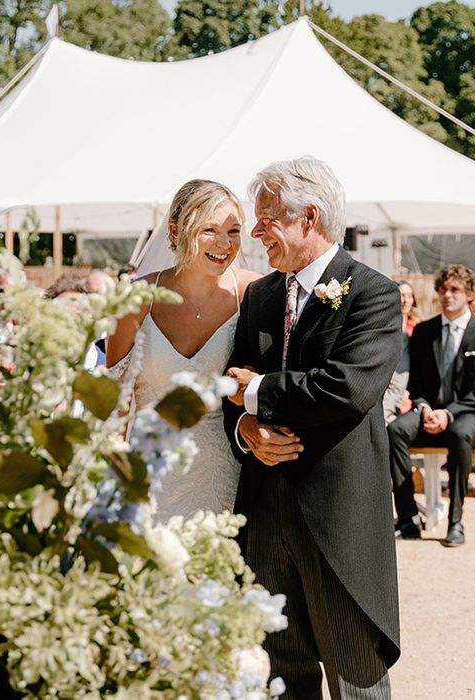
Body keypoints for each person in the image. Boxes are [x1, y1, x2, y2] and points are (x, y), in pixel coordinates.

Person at [224, 157, 402, 698]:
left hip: (338, 525)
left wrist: (255, 392)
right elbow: (229, 392)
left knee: (355, 680)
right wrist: (247, 431)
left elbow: (348, 388)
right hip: (265, 518)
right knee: (280, 674)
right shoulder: (259, 296)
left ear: (310, 217)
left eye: (266, 219)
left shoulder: (373, 293)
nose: (254, 233)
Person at [107, 179, 259, 520]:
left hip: (227, 475)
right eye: (209, 230)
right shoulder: (136, 299)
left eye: (233, 231)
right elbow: (115, 403)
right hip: (150, 475)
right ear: (175, 233)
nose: (224, 244)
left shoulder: (253, 292)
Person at [389, 264, 475, 546]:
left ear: (469, 293)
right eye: (443, 289)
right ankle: (408, 518)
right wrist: (425, 407)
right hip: (427, 410)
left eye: (455, 290)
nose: (447, 295)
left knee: (459, 434)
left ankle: (455, 522)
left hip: (466, 413)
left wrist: (447, 414)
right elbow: (416, 385)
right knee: (396, 430)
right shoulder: (424, 332)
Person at [382, 280, 418, 423]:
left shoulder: (418, 329)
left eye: (409, 296)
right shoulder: (385, 327)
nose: (405, 300)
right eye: (401, 295)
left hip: (406, 388)